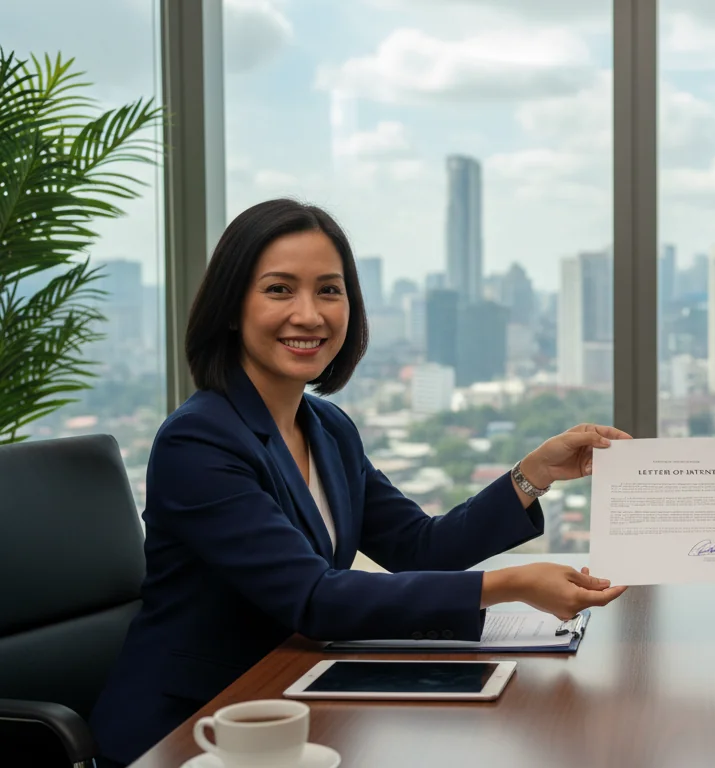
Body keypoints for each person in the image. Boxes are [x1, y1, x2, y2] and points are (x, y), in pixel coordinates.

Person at [89, 199, 628, 765]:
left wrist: (533, 473)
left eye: (329, 290)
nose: (309, 315)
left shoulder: (326, 428)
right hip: (193, 729)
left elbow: (421, 547)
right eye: (279, 289)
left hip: (294, 699)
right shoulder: (198, 442)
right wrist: (510, 584)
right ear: (230, 307)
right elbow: (315, 597)